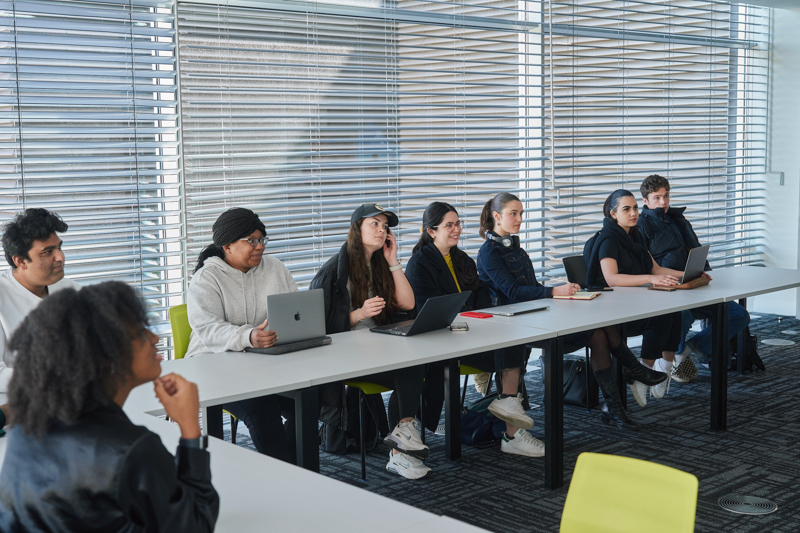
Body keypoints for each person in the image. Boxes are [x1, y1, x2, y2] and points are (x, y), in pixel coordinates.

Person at [0, 281, 219, 532]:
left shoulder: (25, 429)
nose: (156, 338)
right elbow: (196, 524)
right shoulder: (132, 450)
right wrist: (190, 428)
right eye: (140, 333)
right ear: (106, 356)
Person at [478, 193, 666, 432]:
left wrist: (566, 293)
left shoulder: (517, 250)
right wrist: (555, 291)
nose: (519, 219)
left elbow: (532, 288)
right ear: (497, 216)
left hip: (533, 313)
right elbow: (512, 291)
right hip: (515, 325)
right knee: (599, 328)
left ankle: (614, 407)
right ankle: (632, 367)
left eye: (521, 214)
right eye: (513, 214)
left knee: (598, 333)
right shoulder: (489, 252)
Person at [406, 201, 547, 455]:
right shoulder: (420, 264)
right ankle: (511, 422)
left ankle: (509, 413)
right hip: (440, 342)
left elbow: (481, 298)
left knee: (513, 337)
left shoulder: (462, 259)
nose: (456, 229)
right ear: (431, 231)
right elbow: (428, 311)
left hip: (470, 335)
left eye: (458, 224)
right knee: (509, 345)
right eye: (448, 225)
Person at [310, 203, 429, 479]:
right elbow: (319, 326)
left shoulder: (378, 264)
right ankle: (402, 441)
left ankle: (401, 444)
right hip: (347, 353)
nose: (381, 230)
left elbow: (408, 302)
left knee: (417, 358)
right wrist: (359, 314)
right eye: (374, 224)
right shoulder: (334, 271)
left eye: (384, 226)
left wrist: (393, 259)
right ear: (356, 230)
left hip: (377, 346)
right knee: (408, 365)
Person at [186, 207, 297, 462]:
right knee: (262, 407)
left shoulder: (275, 269)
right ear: (227, 246)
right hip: (214, 365)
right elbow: (207, 328)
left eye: (262, 240)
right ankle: (287, 475)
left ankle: (295, 468)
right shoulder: (207, 277)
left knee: (309, 399)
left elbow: (294, 310)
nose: (259, 246)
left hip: (264, 363)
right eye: (251, 241)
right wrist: (248, 337)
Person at [637, 174, 750, 375]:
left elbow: (694, 248)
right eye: (657, 197)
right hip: (667, 289)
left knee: (739, 315)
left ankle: (688, 349)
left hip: (692, 282)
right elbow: (646, 267)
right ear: (645, 201)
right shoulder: (641, 226)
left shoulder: (676, 219)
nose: (663, 202)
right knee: (683, 314)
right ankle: (671, 359)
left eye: (666, 196)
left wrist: (702, 273)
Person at [584, 189, 686, 408]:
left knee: (673, 311)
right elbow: (612, 279)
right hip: (612, 311)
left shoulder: (635, 234)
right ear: (613, 214)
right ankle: (640, 372)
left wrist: (687, 274)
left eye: (635, 208)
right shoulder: (608, 240)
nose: (634, 213)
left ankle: (662, 369)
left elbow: (655, 268)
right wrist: (650, 278)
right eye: (626, 209)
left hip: (633, 303)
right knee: (660, 317)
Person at [0, 208, 80, 393]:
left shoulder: (72, 291)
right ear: (20, 261)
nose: (60, 257)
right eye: (47, 252)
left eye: (59, 247)